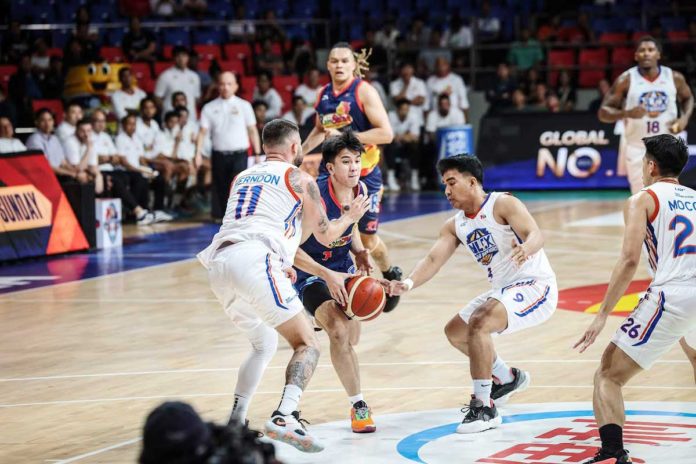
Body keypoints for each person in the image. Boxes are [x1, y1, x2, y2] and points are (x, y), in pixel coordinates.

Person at [197, 119, 370, 452]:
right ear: (295, 149)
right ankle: (285, 415)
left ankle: (236, 421)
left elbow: (272, 225)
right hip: (254, 259)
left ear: (265, 147)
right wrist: (351, 217)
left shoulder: (242, 176)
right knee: (308, 343)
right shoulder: (302, 179)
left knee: (263, 343)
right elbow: (327, 235)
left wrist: (281, 261)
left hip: (219, 263)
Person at [386, 155, 557, 433]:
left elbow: (535, 233)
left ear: (472, 181)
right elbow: (432, 260)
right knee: (456, 331)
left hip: (535, 285)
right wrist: (407, 284)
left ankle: (484, 407)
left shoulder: (502, 203)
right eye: (444, 184)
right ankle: (506, 377)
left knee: (479, 322)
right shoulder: (455, 225)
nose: (447, 191)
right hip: (503, 290)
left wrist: (527, 248)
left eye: (452, 182)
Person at [574, 134, 696, 463]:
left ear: (652, 165)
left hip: (673, 293)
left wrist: (602, 315)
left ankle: (613, 454)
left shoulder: (642, 199)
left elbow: (629, 261)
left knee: (608, 374)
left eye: (643, 160)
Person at [302, 42, 402, 313]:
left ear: (354, 64)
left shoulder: (363, 91)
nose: (339, 65)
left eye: (344, 61)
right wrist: (298, 155)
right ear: (328, 65)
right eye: (334, 61)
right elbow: (319, 129)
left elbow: (386, 134)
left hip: (364, 175)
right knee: (327, 231)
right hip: (331, 174)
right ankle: (324, 296)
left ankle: (389, 271)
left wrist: (347, 139)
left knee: (367, 240)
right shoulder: (323, 94)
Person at [292, 131, 376, 434]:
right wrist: (326, 274)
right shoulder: (314, 196)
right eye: (345, 161)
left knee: (352, 338)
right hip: (308, 268)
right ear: (330, 168)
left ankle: (321, 319)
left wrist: (360, 250)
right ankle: (359, 407)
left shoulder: (361, 189)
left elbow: (348, 227)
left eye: (357, 160)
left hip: (342, 267)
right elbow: (298, 247)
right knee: (339, 332)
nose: (354, 167)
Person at [598, 36, 694, 194]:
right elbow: (603, 113)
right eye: (642, 50)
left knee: (669, 196)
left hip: (667, 145)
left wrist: (683, 118)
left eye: (650, 50)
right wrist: (626, 113)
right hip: (638, 146)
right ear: (636, 56)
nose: (646, 53)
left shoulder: (674, 77)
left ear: (658, 54)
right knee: (640, 196)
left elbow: (688, 98)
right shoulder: (626, 79)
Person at [195, 72, 261, 221]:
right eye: (222, 84)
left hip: (240, 153)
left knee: (239, 184)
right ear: (218, 86)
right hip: (219, 153)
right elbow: (202, 132)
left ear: (236, 86)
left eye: (229, 84)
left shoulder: (244, 105)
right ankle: (219, 216)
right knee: (220, 186)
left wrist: (257, 153)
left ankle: (240, 216)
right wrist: (198, 153)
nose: (225, 87)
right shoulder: (209, 107)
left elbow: (252, 130)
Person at [386, 98, 421, 192]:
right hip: (393, 146)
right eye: (403, 109)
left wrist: (400, 137)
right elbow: (389, 136)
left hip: (406, 146)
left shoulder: (413, 116)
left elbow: (415, 137)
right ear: (398, 110)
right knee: (389, 146)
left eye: (407, 109)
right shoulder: (390, 116)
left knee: (415, 146)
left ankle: (414, 178)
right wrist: (406, 136)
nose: (406, 112)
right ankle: (391, 177)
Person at [155, 46, 201, 116]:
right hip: (171, 119)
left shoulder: (194, 76)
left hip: (190, 117)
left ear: (188, 57)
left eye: (184, 56)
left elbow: (197, 97)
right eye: (178, 56)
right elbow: (157, 97)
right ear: (173, 58)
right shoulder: (165, 76)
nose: (181, 59)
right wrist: (167, 111)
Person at [426, 57, 470, 122]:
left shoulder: (457, 79)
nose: (441, 68)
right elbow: (427, 104)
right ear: (435, 67)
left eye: (443, 65)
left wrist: (466, 120)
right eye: (438, 65)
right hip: (437, 116)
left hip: (454, 115)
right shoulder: (430, 81)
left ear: (448, 65)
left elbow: (464, 102)